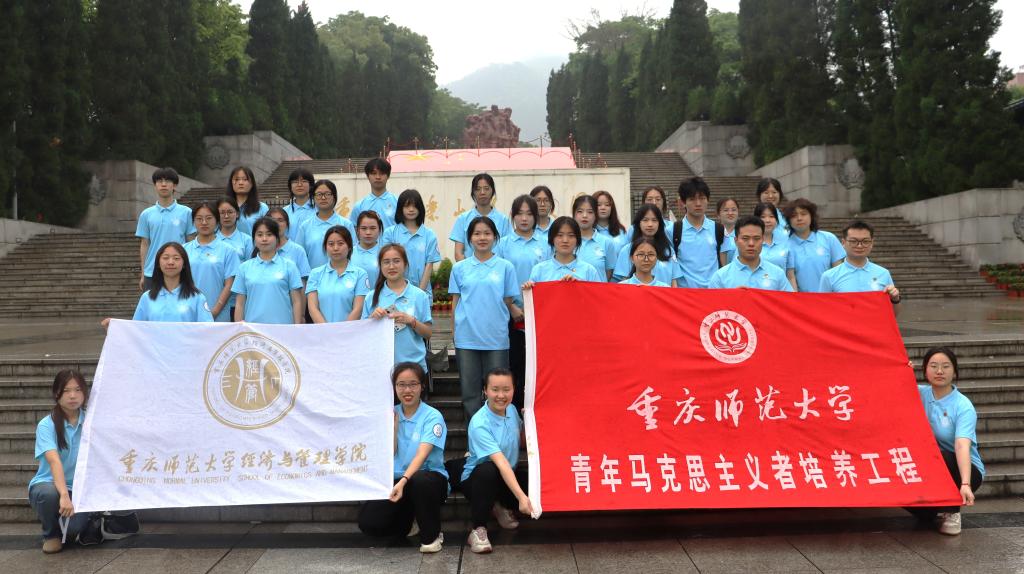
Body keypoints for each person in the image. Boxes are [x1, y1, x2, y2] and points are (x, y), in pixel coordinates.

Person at [358, 363, 448, 553]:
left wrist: (404, 481)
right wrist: (393, 428)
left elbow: (422, 455)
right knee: (369, 523)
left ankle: (432, 536)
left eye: (413, 384)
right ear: (394, 387)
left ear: (422, 386)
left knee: (420, 481)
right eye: (401, 385)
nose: (407, 390)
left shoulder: (433, 416)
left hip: (427, 479)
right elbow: (388, 453)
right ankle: (409, 519)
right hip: (397, 480)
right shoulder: (390, 413)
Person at [455, 368, 533, 554]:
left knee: (535, 484)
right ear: (485, 390)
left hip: (507, 475)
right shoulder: (480, 423)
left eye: (506, 389)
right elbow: (501, 463)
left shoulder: (511, 410)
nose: (501, 395)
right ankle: (478, 529)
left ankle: (498, 504)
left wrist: (529, 421)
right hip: (478, 480)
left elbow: (522, 442)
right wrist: (521, 497)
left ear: (514, 390)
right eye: (495, 389)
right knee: (488, 471)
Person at [449, 217, 520, 418]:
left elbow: (508, 300)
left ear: (495, 237)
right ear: (469, 238)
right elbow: (455, 302)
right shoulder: (459, 268)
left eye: (487, 233)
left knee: (498, 392)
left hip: (496, 338)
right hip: (467, 338)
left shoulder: (505, 267)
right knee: (470, 394)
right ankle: (474, 436)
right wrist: (454, 332)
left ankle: (498, 433)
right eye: (477, 233)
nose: (482, 238)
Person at [913, 347, 984, 536]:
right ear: (925, 371)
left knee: (943, 456)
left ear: (954, 372)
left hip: (963, 469)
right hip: (929, 466)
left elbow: (962, 445)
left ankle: (952, 511)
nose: (939, 371)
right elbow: (892, 384)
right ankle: (934, 511)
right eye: (933, 366)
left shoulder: (963, 406)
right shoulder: (920, 393)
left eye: (946, 366)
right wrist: (903, 370)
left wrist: (966, 484)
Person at [29, 370, 91, 553]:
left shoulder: (90, 421)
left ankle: (69, 527)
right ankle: (51, 534)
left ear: (84, 393)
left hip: (79, 488)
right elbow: (54, 461)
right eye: (66, 390)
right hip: (49, 484)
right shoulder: (46, 425)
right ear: (57, 393)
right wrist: (64, 494)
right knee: (48, 494)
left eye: (78, 390)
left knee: (73, 529)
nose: (72, 395)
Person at [363, 244, 433, 371]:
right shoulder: (371, 297)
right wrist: (372, 319)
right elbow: (363, 335)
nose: (391, 266)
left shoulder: (419, 296)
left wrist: (411, 321)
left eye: (396, 261)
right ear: (380, 266)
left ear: (405, 264)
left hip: (414, 366)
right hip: (381, 366)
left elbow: (428, 333)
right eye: (386, 262)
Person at [819, 220, 901, 314]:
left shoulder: (883, 273)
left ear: (872, 243)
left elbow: (893, 314)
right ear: (843, 243)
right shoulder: (829, 276)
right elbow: (822, 311)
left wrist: (895, 299)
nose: (859, 246)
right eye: (853, 241)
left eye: (865, 241)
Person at [232, 218, 304, 324]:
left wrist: (296, 327)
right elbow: (239, 304)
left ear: (277, 238)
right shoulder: (244, 268)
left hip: (283, 328)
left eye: (269, 234)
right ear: (254, 239)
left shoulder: (289, 266)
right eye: (260, 235)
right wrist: (239, 328)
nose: (264, 239)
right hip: (253, 329)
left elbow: (296, 302)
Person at [135, 167, 194, 291]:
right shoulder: (146, 214)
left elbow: (191, 242)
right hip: (152, 272)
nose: (163, 184)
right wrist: (143, 273)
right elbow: (145, 244)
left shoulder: (186, 212)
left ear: (175, 185)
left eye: (167, 181)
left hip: (179, 270)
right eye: (159, 181)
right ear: (155, 185)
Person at [126, 242, 214, 323]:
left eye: (176, 258)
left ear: (184, 264)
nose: (170, 262)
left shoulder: (197, 298)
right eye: (165, 258)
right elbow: (136, 330)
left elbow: (207, 330)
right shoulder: (147, 298)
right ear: (158, 263)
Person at [184, 202, 240, 322]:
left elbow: (229, 285)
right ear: (193, 222)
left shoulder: (228, 250)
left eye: (209, 218)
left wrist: (214, 312)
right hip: (188, 314)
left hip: (219, 315)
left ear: (217, 220)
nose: (204, 222)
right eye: (199, 219)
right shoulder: (184, 250)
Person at [381, 189, 443, 296]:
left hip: (423, 293)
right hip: (394, 293)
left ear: (420, 208)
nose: (411, 209)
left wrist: (419, 294)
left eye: (415, 206)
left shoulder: (429, 235)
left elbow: (429, 265)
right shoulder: (390, 233)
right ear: (400, 208)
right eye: (407, 206)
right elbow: (386, 263)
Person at [708, 217, 793, 291]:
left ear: (762, 240)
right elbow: (712, 304)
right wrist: (732, 296)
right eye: (745, 238)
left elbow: (789, 301)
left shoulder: (777, 274)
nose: (751, 243)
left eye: (756, 238)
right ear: (736, 241)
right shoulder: (720, 277)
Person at [495, 195, 550, 308]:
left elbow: (549, 276)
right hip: (509, 308)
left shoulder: (546, 244)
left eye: (529, 214)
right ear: (513, 215)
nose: (524, 218)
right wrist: (511, 307)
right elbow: (497, 279)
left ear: (535, 216)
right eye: (519, 214)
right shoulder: (502, 244)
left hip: (540, 306)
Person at [306, 226, 369, 323]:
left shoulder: (360, 274)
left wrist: (342, 330)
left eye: (340, 243)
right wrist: (327, 329)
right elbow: (313, 308)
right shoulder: (315, 273)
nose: (335, 248)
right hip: (323, 330)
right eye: (331, 244)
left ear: (349, 246)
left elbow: (358, 309)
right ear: (325, 247)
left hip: (350, 330)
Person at [612, 204, 682, 287]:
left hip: (663, 295)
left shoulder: (668, 250)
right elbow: (624, 284)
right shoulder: (627, 250)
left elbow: (674, 283)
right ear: (638, 223)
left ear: (660, 224)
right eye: (645, 220)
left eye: (654, 220)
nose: (650, 224)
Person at [784, 198, 844, 292]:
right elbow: (790, 277)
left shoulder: (828, 238)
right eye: (794, 215)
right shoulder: (785, 245)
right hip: (802, 298)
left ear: (811, 216)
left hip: (829, 296)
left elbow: (838, 271)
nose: (799, 218)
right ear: (789, 220)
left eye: (803, 214)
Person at [673, 177, 722, 288]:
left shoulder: (718, 229)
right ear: (683, 202)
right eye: (692, 199)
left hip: (713, 291)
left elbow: (725, 264)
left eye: (702, 198)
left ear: (708, 200)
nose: (698, 203)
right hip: (685, 293)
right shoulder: (673, 230)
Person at [449, 173, 512, 261]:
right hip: (470, 268)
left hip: (497, 268)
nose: (482, 192)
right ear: (473, 193)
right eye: (478, 189)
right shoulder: (463, 219)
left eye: (486, 188)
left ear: (493, 191)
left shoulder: (503, 220)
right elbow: (458, 253)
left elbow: (508, 250)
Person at [295, 179, 355, 270]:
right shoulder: (305, 226)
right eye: (319, 194)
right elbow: (299, 256)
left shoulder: (346, 224)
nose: (323, 198)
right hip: (313, 277)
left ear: (334, 197)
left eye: (327, 194)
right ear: (313, 198)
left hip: (342, 275)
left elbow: (353, 254)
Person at [524, 217, 601, 284]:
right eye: (560, 235)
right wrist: (527, 290)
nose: (565, 240)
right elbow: (532, 296)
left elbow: (597, 295)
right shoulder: (539, 270)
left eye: (571, 236)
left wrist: (578, 286)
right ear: (552, 239)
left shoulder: (589, 271)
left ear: (577, 240)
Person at [572, 195, 615, 281]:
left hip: (598, 289)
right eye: (580, 211)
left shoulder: (606, 242)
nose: (585, 215)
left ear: (596, 215)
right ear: (574, 215)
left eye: (590, 212)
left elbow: (608, 273)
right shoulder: (567, 242)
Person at [351, 158, 398, 230]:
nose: (378, 177)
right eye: (374, 173)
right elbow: (353, 230)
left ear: (388, 176)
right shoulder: (359, 206)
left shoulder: (397, 202)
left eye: (382, 173)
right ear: (368, 176)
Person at [267, 207, 312, 282]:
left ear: (287, 224)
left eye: (280, 220)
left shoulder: (298, 250)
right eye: (272, 220)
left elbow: (303, 281)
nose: (276, 224)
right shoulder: (261, 249)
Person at [754, 202, 794, 280]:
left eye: (771, 216)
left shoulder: (785, 242)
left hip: (780, 287)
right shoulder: (749, 243)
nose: (767, 220)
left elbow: (790, 276)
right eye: (763, 217)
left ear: (776, 220)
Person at [226, 166, 268, 236]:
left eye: (245, 179)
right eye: (237, 179)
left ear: (252, 184)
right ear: (231, 183)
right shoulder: (224, 207)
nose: (240, 183)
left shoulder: (262, 208)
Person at [215, 198, 253, 264]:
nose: (226, 216)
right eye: (222, 212)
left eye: (230, 212)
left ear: (237, 214)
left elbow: (250, 266)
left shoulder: (247, 240)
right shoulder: (211, 239)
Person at [593, 190, 628, 261]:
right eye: (598, 205)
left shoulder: (621, 231)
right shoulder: (588, 231)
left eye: (607, 205)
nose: (603, 208)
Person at [351, 211, 384, 286]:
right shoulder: (348, 253)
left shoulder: (385, 253)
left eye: (373, 228)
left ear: (379, 230)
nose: (368, 232)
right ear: (357, 230)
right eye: (364, 228)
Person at [284, 168, 317, 239]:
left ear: (311, 185)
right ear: (290, 186)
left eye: (304, 181)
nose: (299, 185)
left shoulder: (319, 210)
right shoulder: (284, 212)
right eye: (295, 182)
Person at [716, 197, 740, 265]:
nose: (730, 213)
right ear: (718, 214)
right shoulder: (713, 233)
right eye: (726, 210)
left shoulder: (743, 233)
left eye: (734, 210)